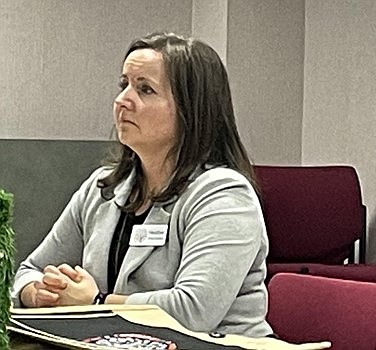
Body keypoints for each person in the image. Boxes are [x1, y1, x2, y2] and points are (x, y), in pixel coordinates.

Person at [12, 32, 273, 338]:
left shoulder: (224, 195)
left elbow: (193, 312)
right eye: (124, 85)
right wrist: (40, 293)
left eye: (145, 89)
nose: (123, 101)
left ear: (192, 110)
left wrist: (95, 303)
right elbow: (28, 271)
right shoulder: (103, 188)